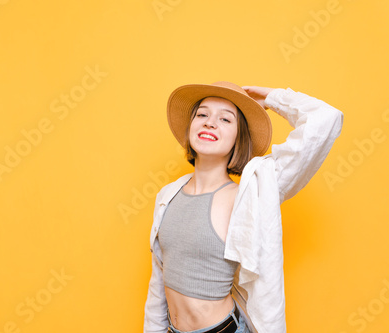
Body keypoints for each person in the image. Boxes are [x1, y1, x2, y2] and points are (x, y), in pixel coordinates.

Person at [144, 81, 344, 333]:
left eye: (225, 119)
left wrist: (273, 97)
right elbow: (158, 283)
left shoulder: (252, 194)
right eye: (202, 114)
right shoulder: (168, 195)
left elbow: (326, 119)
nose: (210, 122)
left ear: (240, 137)